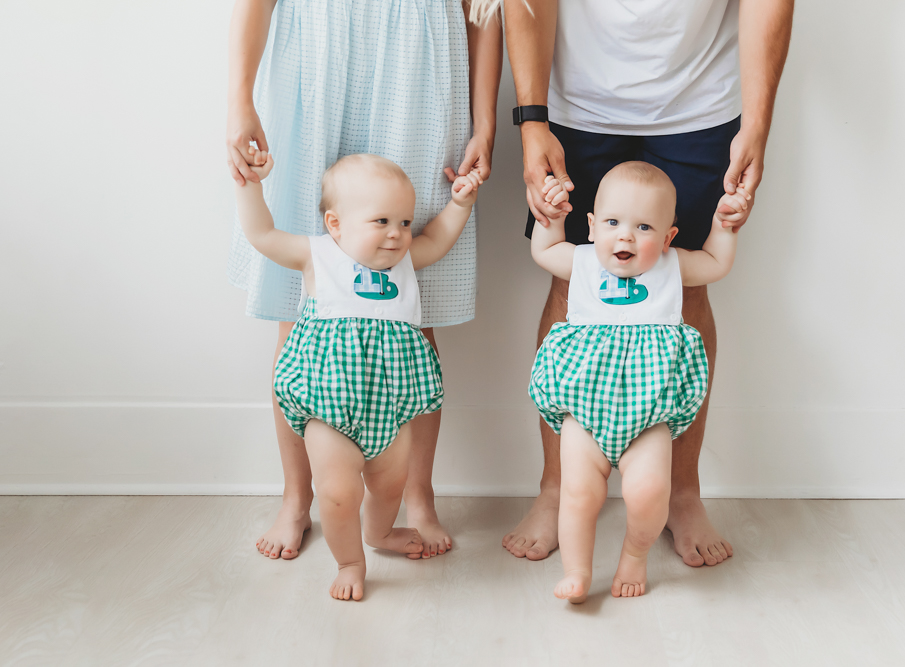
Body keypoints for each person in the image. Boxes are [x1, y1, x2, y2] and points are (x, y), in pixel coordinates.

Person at [499, 0, 793, 566]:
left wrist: (757, 120)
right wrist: (531, 117)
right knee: (572, 287)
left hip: (698, 105)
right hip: (575, 104)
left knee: (684, 291)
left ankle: (682, 493)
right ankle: (556, 490)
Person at [226, 0, 502, 561]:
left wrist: (486, 120)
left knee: (412, 305)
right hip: (312, 56)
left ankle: (418, 496)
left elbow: (486, 9)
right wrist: (238, 99)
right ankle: (296, 497)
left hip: (420, 64)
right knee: (299, 307)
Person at [235, 151, 482, 600]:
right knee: (338, 493)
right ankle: (350, 561)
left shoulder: (406, 261)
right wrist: (250, 184)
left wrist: (460, 204)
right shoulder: (318, 256)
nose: (397, 234)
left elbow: (439, 239)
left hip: (393, 407)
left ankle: (380, 532)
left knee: (389, 486)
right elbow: (261, 233)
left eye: (405, 223)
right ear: (335, 224)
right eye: (382, 221)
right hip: (328, 406)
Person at [529, 164, 748, 601]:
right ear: (591, 227)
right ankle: (577, 570)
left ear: (668, 238)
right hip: (584, 413)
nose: (625, 236)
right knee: (578, 494)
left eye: (644, 227)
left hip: (648, 417)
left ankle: (634, 555)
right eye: (612, 223)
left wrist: (724, 225)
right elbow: (545, 251)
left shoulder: (671, 267)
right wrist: (550, 220)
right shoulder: (582, 261)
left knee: (650, 493)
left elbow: (717, 263)